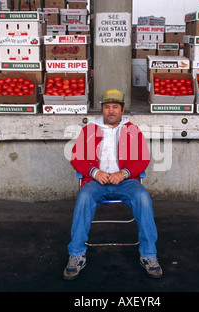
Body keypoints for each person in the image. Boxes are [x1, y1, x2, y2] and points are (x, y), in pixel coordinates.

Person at [63, 89, 162, 280]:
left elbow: (143, 159)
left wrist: (124, 173)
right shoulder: (89, 130)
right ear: (102, 109)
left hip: (126, 182)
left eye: (115, 107)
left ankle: (149, 254)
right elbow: (76, 158)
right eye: (107, 107)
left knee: (143, 197)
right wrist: (94, 172)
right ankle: (76, 254)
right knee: (84, 196)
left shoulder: (132, 130)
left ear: (122, 109)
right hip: (96, 182)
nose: (110, 111)